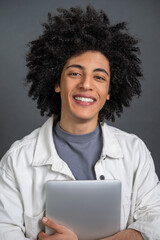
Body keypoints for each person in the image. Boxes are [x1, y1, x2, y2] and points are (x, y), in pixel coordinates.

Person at [0, 5, 160, 240]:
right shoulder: (17, 159)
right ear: (56, 83)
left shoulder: (135, 152)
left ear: (108, 92)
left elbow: (154, 221)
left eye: (99, 77)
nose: (86, 84)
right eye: (75, 73)